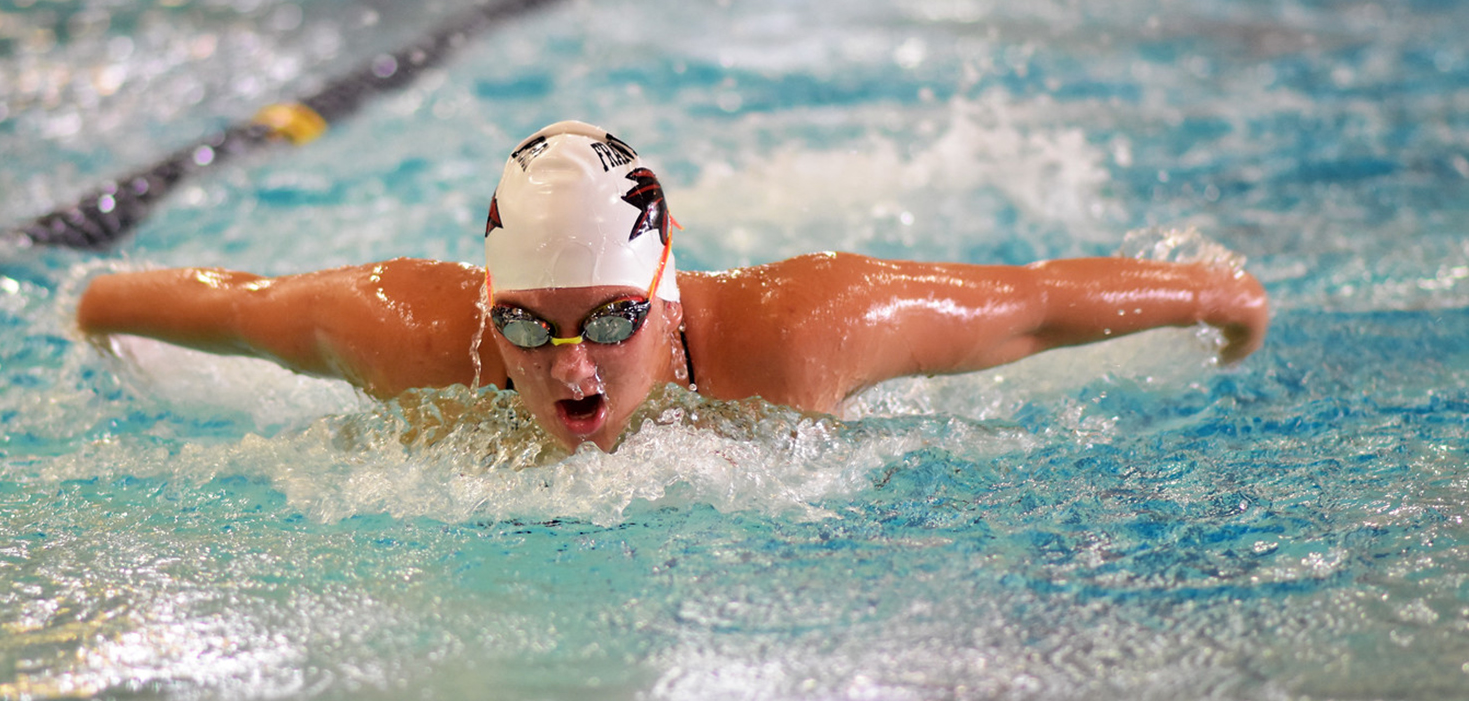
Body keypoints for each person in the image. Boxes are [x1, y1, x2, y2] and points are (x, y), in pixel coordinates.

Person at [77, 120, 1268, 453]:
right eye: (525, 329)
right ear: (484, 308)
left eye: (609, 319)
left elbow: (1032, 301)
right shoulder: (403, 331)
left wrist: (1217, 296)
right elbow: (228, 303)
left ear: (669, 296)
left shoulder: (806, 332)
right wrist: (94, 312)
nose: (571, 368)